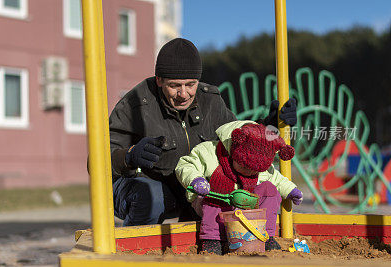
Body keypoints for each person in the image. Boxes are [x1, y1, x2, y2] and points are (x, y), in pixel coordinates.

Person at [109, 37, 298, 226]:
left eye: (190, 85)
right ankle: (136, 248)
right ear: (159, 80)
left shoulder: (210, 101)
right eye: (174, 86)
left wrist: (269, 127)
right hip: (143, 190)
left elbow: (236, 141)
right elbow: (97, 163)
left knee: (220, 190)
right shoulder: (135, 105)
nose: (183, 94)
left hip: (192, 188)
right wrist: (129, 156)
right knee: (152, 196)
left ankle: (202, 244)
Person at [175, 121, 303, 254]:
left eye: (254, 171)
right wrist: (196, 180)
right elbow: (186, 165)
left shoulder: (261, 158)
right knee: (217, 188)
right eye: (244, 166)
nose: (249, 172)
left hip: (243, 204)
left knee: (270, 189)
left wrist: (290, 190)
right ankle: (212, 239)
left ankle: (265, 234)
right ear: (233, 150)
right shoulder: (208, 152)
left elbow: (275, 177)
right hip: (213, 202)